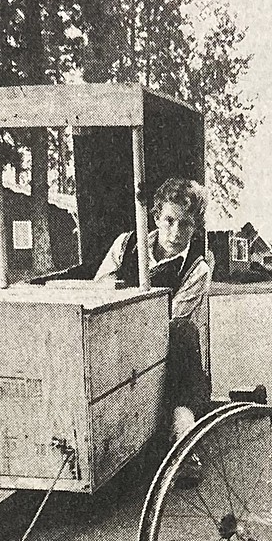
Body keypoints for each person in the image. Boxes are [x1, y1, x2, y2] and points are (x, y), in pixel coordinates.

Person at [93, 177, 211, 443]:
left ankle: (183, 424)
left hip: (159, 349)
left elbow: (168, 323)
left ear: (196, 228)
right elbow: (99, 291)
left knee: (182, 332)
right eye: (170, 220)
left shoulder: (196, 269)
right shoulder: (126, 245)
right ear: (157, 217)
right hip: (113, 336)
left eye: (186, 224)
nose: (176, 232)